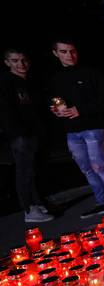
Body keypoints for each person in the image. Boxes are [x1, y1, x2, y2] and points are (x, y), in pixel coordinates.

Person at [49, 39, 104, 218]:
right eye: (64, 51)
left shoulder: (91, 72)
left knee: (98, 165)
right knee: (86, 168)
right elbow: (55, 100)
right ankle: (101, 201)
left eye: (72, 51)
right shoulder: (55, 78)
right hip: (72, 131)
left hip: (93, 127)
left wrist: (80, 109)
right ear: (56, 53)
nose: (69, 55)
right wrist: (55, 110)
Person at [0, 49, 53, 222]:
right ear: (7, 63)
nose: (20, 64)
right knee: (24, 171)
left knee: (35, 170)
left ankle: (39, 203)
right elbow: (6, 111)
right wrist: (18, 133)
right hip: (20, 136)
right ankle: (29, 210)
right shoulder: (6, 82)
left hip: (36, 133)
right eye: (15, 61)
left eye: (23, 60)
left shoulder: (31, 81)